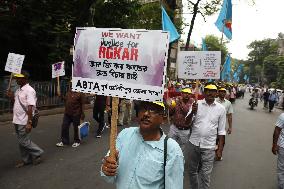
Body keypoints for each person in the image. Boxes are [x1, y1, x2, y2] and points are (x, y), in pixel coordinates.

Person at [101, 101, 184, 189]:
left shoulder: (172, 150)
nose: (146, 114)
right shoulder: (125, 134)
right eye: (143, 108)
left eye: (153, 110)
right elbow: (109, 175)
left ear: (163, 119)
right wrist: (107, 169)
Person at [186, 83, 226, 189]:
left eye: (213, 91)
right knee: (192, 171)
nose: (210, 93)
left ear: (216, 93)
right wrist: (192, 113)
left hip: (209, 146)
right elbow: (186, 122)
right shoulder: (196, 104)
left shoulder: (221, 109)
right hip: (193, 143)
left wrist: (220, 149)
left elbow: (221, 131)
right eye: (208, 90)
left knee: (206, 174)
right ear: (204, 92)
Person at [6, 71, 44, 168]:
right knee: (21, 141)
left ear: (25, 79)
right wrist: (11, 97)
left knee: (23, 141)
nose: (16, 79)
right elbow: (16, 102)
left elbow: (30, 107)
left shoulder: (29, 90)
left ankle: (38, 152)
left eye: (19, 78)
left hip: (24, 120)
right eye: (16, 78)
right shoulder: (18, 90)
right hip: (17, 119)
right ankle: (26, 160)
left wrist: (29, 122)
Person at [56, 80, 85, 147]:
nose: (71, 84)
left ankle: (77, 141)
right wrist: (60, 95)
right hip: (67, 113)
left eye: (72, 83)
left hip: (76, 114)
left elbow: (82, 104)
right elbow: (66, 99)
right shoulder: (69, 92)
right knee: (64, 126)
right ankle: (64, 141)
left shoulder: (80, 93)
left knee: (76, 128)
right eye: (70, 83)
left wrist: (82, 114)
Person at [168, 88, 194, 152]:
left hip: (184, 130)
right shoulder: (176, 100)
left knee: (182, 148)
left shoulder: (192, 102)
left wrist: (180, 101)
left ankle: (179, 160)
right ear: (182, 93)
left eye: (188, 94)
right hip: (174, 127)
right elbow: (171, 113)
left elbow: (186, 111)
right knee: (169, 144)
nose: (187, 95)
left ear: (190, 95)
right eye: (185, 93)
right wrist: (170, 106)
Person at [215, 87, 234, 161]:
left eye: (224, 92)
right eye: (221, 91)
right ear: (218, 92)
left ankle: (219, 153)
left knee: (222, 141)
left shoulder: (228, 103)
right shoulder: (214, 100)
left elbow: (229, 116)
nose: (222, 93)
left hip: (222, 126)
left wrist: (230, 127)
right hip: (212, 125)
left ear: (225, 93)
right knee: (213, 141)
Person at [272, 113, 284, 188]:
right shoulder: (283, 116)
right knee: (282, 168)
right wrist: (274, 145)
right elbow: (277, 130)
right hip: (283, 147)